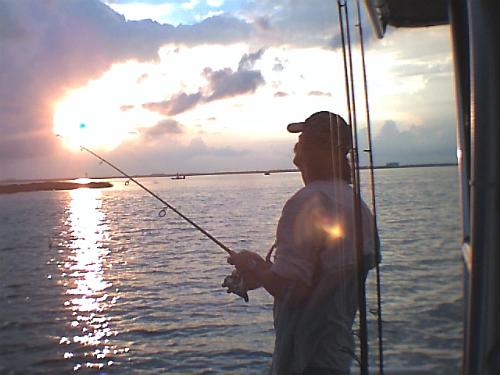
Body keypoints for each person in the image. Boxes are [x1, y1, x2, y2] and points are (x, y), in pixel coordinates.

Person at [225, 111, 379, 375]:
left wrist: (257, 268)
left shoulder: (306, 202)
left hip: (305, 360)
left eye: (302, 138)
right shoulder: (356, 205)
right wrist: (262, 271)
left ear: (313, 151)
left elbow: (293, 289)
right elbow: (322, 276)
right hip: (336, 356)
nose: (296, 144)